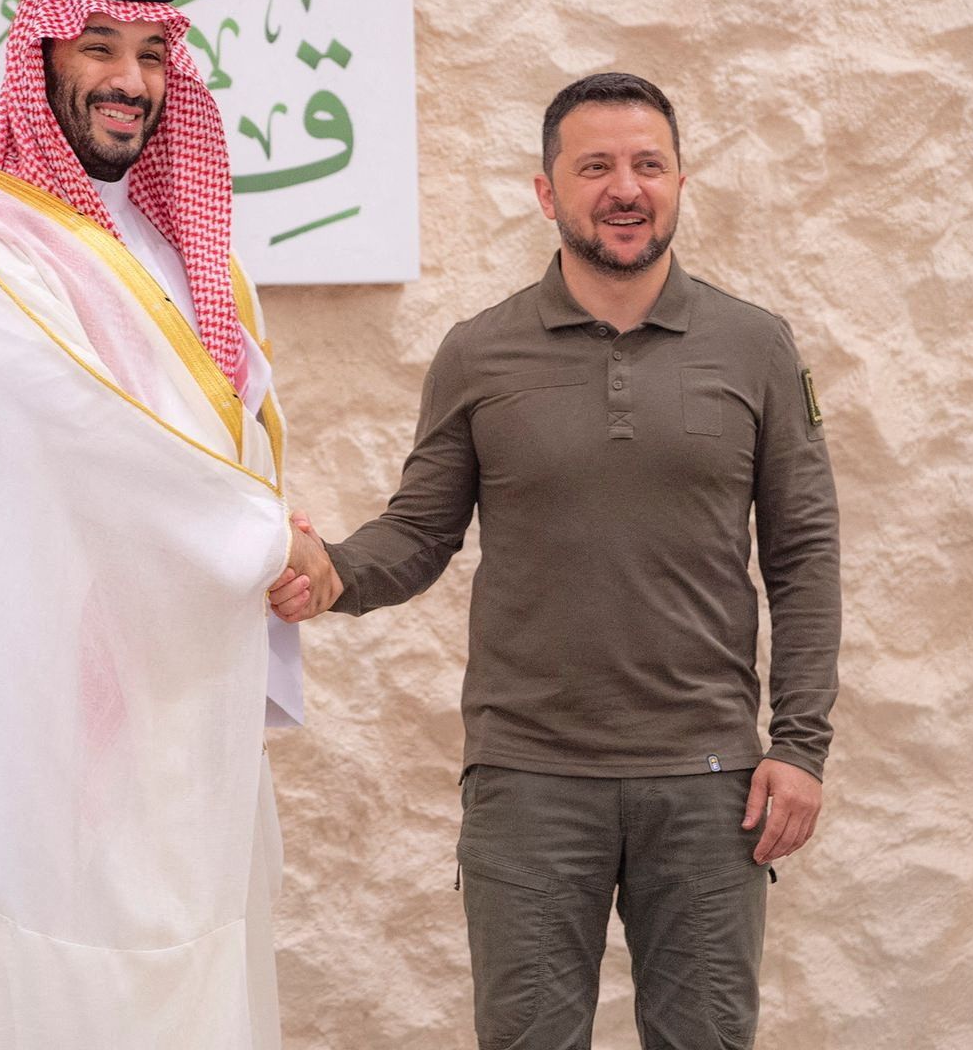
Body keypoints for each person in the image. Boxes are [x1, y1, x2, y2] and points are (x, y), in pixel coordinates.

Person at [271, 73, 841, 1050]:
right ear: (547, 192)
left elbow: (802, 552)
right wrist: (330, 570)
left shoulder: (753, 347)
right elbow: (419, 531)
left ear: (677, 181)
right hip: (527, 782)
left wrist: (798, 743)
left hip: (708, 785)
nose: (624, 187)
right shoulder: (478, 353)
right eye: (595, 167)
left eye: (646, 164)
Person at [0, 0, 301, 1050]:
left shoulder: (187, 252)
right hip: (33, 709)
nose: (129, 80)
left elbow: (227, 434)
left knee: (182, 955)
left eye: (151, 56)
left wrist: (257, 537)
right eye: (99, 47)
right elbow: (85, 431)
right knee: (45, 975)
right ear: (39, 53)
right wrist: (266, 540)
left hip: (177, 696)